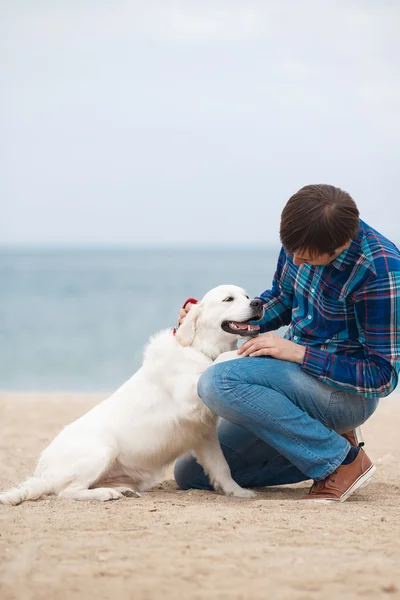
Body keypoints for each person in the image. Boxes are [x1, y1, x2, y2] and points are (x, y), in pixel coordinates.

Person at [174, 184, 400, 502]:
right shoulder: (302, 236)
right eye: (291, 250)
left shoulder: (380, 273)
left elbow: (381, 377)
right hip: (293, 379)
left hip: (345, 396)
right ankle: (326, 443)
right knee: (192, 473)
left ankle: (342, 463)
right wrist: (216, 319)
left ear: (341, 244)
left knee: (218, 381)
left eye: (306, 258)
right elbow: (281, 299)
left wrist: (299, 353)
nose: (294, 259)